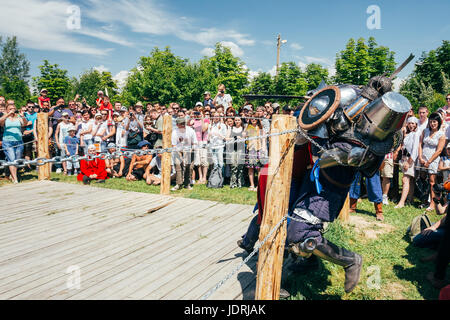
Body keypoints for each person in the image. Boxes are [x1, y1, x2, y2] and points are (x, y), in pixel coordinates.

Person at [418, 112, 446, 211]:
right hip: (423, 158)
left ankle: (432, 203)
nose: (432, 124)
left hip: (433, 160)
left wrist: (429, 161)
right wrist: (421, 157)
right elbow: (420, 144)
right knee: (421, 179)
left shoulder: (441, 134)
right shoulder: (424, 131)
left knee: (431, 182)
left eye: (434, 122)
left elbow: (439, 150)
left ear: (438, 122)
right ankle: (424, 200)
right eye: (431, 122)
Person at [0, 100, 27, 183]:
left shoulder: (18, 117)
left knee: (17, 159)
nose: (12, 110)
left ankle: (13, 174)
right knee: (11, 159)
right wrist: (8, 114)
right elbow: (0, 122)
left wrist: (22, 116)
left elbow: (24, 124)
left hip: (18, 141)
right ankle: (15, 179)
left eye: (13, 108)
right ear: (7, 110)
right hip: (7, 141)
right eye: (10, 109)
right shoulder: (5, 117)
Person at [396, 117, 420, 208]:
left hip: (410, 160)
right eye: (409, 123)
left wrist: (409, 162)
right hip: (404, 158)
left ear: (416, 124)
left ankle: (401, 202)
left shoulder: (416, 134)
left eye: (413, 123)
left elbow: (414, 151)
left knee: (405, 180)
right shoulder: (407, 134)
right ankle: (410, 200)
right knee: (410, 181)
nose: (411, 125)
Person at [171, 117, 197, 190]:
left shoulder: (190, 130)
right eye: (181, 124)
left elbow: (194, 142)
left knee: (189, 167)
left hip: (189, 150)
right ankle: (178, 184)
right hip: (178, 151)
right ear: (177, 125)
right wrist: (180, 155)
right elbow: (174, 145)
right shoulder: (174, 132)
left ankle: (187, 184)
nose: (183, 125)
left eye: (183, 123)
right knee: (178, 166)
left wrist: (191, 150)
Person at [244, 117, 267, 191]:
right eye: (252, 119)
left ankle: (259, 186)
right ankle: (252, 185)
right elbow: (244, 136)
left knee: (259, 168)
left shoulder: (260, 129)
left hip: (258, 149)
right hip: (250, 149)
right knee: (250, 168)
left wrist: (263, 150)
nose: (253, 120)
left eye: (255, 119)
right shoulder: (248, 128)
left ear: (257, 120)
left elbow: (263, 139)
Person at [226, 116, 245, 188]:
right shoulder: (231, 128)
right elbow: (226, 138)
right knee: (233, 166)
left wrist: (241, 138)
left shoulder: (243, 129)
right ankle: (233, 183)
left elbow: (244, 138)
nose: (237, 121)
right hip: (232, 149)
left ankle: (240, 182)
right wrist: (233, 138)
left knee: (240, 166)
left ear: (241, 121)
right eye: (236, 120)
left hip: (240, 149)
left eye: (238, 120)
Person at [191, 110, 209, 184]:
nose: (197, 114)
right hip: (196, 141)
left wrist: (201, 118)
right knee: (198, 161)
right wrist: (191, 117)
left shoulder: (206, 120)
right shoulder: (193, 120)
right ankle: (200, 177)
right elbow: (189, 125)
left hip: (203, 141)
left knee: (204, 160)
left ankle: (204, 177)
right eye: (196, 113)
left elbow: (204, 129)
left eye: (199, 113)